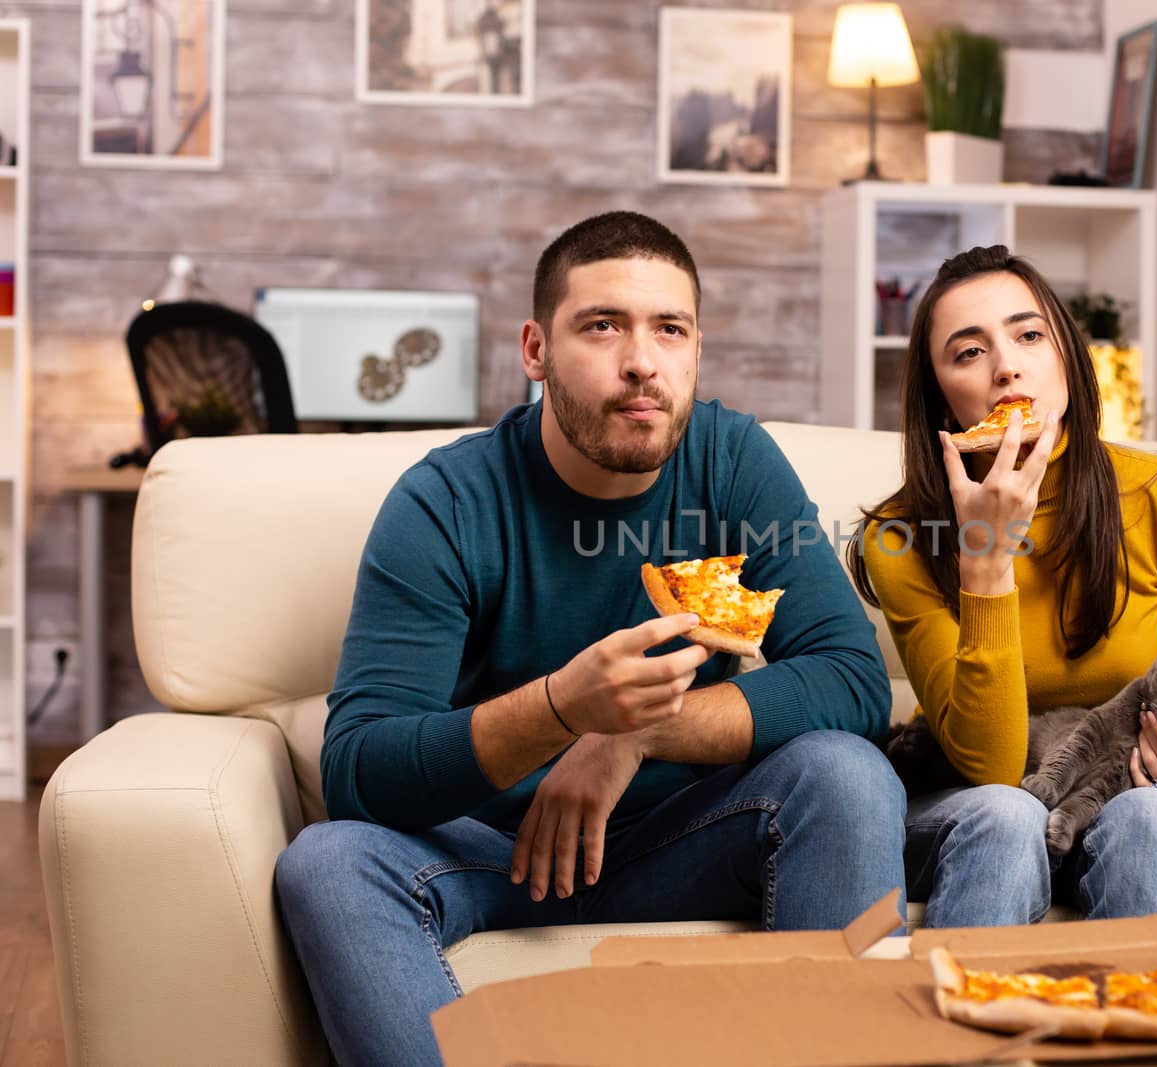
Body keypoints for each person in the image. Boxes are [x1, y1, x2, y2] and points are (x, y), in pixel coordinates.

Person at [274, 211, 903, 1067]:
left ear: (695, 349)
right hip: (495, 853)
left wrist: (632, 731)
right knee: (328, 862)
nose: (641, 360)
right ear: (535, 350)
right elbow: (357, 767)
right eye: (602, 325)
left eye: (669, 329)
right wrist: (560, 708)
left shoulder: (730, 460)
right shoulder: (447, 502)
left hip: (684, 838)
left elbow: (853, 681)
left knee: (848, 775)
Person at [849, 244, 1157, 927]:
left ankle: (1141, 1029)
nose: (1007, 365)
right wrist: (986, 557)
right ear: (941, 397)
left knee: (1154, 814)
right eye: (968, 353)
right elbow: (993, 767)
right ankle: (966, 1029)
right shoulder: (899, 535)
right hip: (964, 800)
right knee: (1008, 813)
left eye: (1028, 335)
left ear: (1065, 354)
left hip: (1114, 796)